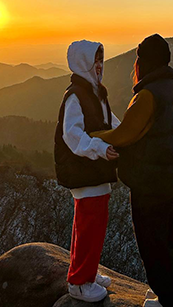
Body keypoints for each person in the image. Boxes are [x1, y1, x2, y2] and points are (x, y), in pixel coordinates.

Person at [91, 34, 173, 307]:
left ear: (142, 62)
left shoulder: (149, 95)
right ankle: (168, 293)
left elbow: (125, 135)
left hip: (153, 184)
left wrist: (94, 135)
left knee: (153, 244)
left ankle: (171, 300)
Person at [54, 40, 121, 303]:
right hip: (84, 171)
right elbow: (71, 135)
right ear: (83, 63)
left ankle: (87, 273)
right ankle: (80, 283)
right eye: (95, 61)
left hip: (95, 171)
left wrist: (125, 136)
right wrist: (100, 149)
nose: (100, 66)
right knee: (89, 225)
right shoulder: (75, 95)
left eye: (101, 60)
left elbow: (110, 121)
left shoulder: (95, 93)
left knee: (91, 225)